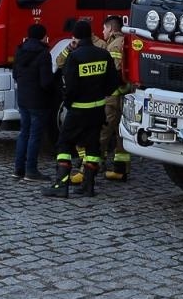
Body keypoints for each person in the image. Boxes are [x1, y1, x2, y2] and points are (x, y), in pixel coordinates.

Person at [48, 19, 123, 198]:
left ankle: (61, 185)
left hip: (78, 110)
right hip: (97, 110)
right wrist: (100, 94)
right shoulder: (103, 54)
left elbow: (70, 87)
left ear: (76, 36)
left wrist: (68, 102)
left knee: (64, 144)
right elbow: (114, 82)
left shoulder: (75, 57)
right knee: (92, 149)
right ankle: (88, 187)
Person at [12, 23, 53, 182]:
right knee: (35, 136)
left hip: (23, 98)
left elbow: (15, 74)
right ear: (43, 36)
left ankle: (18, 169)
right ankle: (31, 170)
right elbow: (46, 82)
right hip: (38, 100)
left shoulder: (20, 50)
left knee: (24, 133)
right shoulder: (43, 53)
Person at [100, 15, 133, 181]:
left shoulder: (114, 46)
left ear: (111, 29)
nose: (102, 32)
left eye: (104, 29)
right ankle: (120, 170)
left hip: (113, 97)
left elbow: (115, 72)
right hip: (125, 95)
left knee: (103, 131)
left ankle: (91, 166)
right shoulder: (124, 41)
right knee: (122, 135)